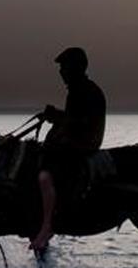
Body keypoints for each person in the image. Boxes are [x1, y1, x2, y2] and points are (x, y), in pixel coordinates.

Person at [30, 47, 106, 252]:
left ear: (76, 68)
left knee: (45, 176)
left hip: (84, 144)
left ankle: (47, 226)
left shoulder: (84, 90)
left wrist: (55, 116)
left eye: (64, 67)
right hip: (77, 141)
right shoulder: (78, 89)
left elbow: (79, 122)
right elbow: (72, 120)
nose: (61, 72)